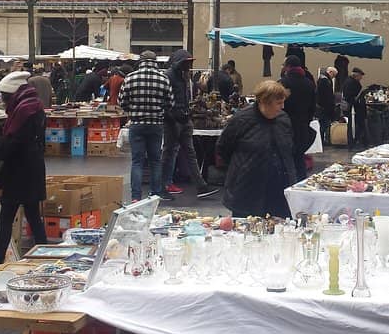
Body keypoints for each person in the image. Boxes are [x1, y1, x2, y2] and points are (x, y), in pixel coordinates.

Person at [0, 71, 47, 265]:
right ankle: (46, 256)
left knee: (6, 218)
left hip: (19, 172)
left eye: (5, 98)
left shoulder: (22, 112)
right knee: (33, 217)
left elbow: (12, 144)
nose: (4, 103)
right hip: (32, 170)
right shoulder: (33, 106)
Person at [217, 80, 297, 218]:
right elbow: (223, 147)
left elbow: (290, 149)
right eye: (278, 103)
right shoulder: (242, 120)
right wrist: (242, 168)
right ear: (265, 101)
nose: (282, 107)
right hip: (247, 188)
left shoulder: (283, 119)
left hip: (279, 189)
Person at [161, 49, 219, 200]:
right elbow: (165, 101)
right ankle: (162, 186)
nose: (189, 65)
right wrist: (173, 117)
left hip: (183, 119)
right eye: (187, 62)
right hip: (175, 120)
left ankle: (200, 186)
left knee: (183, 153)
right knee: (170, 153)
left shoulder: (182, 76)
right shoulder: (170, 76)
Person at [119, 50, 172, 201]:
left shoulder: (130, 78)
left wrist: (133, 110)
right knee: (155, 160)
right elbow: (170, 103)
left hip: (137, 124)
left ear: (140, 61)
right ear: (155, 61)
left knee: (137, 161)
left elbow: (122, 102)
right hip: (156, 125)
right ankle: (155, 194)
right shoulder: (163, 78)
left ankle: (136, 196)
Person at [279, 55, 317, 181]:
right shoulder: (309, 83)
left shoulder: (283, 83)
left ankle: (286, 183)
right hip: (302, 127)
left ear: (288, 67)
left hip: (285, 127)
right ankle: (300, 183)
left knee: (285, 159)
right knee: (299, 158)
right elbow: (313, 107)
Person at [342, 67, 366, 150]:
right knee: (353, 126)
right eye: (360, 76)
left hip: (354, 108)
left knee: (354, 126)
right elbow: (350, 96)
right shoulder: (351, 83)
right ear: (356, 75)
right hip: (353, 109)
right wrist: (356, 100)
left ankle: (355, 142)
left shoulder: (349, 81)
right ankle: (353, 143)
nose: (361, 78)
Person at [315, 66, 338, 145]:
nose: (333, 77)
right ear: (330, 72)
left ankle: (322, 140)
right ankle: (323, 141)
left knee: (323, 124)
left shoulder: (322, 79)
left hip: (321, 106)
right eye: (334, 75)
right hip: (325, 107)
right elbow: (328, 96)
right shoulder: (325, 81)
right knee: (324, 124)